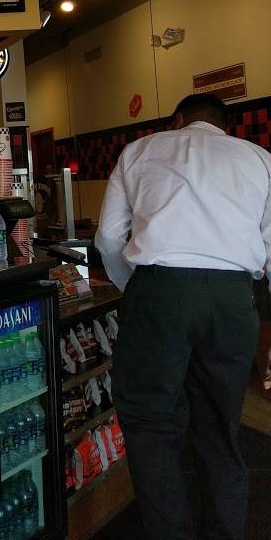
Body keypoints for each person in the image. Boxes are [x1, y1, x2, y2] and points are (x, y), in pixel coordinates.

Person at [95, 93, 269, 540]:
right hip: (233, 299)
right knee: (221, 425)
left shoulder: (140, 150)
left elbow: (109, 238)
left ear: (177, 120)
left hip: (159, 289)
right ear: (226, 127)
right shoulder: (259, 159)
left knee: (151, 425)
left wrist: (136, 289)